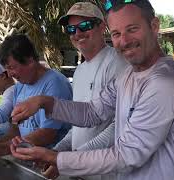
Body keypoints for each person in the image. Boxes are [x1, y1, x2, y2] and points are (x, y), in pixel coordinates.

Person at [9, 1, 174, 180]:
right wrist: (45, 102)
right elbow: (93, 112)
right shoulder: (128, 75)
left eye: (132, 29)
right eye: (117, 34)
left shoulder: (164, 83)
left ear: (154, 26)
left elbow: (126, 155)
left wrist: (58, 159)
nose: (124, 41)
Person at [41, 2, 126, 180]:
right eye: (71, 29)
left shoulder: (117, 62)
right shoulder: (79, 72)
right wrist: (58, 151)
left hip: (106, 172)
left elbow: (120, 126)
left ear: (102, 27)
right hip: (81, 170)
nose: (77, 33)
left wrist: (72, 158)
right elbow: (77, 127)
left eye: (85, 26)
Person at [0, 34, 72, 161]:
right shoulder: (20, 86)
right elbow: (16, 130)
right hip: (27, 161)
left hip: (51, 164)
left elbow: (47, 134)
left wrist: (3, 149)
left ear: (30, 60)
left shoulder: (55, 84)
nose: (9, 74)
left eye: (12, 67)